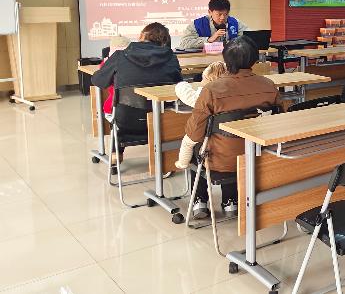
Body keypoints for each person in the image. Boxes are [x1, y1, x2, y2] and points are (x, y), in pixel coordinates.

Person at [182, 37, 280, 219]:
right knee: (237, 144)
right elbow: (280, 120)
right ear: (255, 60)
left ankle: (200, 201)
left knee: (200, 146)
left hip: (220, 161)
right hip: (258, 157)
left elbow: (195, 132)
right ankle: (231, 201)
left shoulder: (211, 89)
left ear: (225, 60)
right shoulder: (269, 86)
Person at [91, 23, 183, 162]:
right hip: (161, 120)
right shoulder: (171, 58)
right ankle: (166, 160)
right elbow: (179, 86)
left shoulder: (120, 56)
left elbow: (98, 80)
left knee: (115, 111)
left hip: (126, 121)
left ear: (141, 36)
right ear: (164, 41)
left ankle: (116, 152)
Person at [179, 0, 248, 50]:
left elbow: (248, 38)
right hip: (204, 60)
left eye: (226, 14)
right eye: (219, 14)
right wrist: (208, 40)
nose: (222, 18)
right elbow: (184, 43)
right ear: (210, 12)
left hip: (230, 59)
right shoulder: (197, 24)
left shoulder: (235, 22)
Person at [99, 35, 131, 118]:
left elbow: (101, 82)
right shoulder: (136, 63)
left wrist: (106, 65)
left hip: (115, 106)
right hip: (137, 106)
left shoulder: (107, 64)